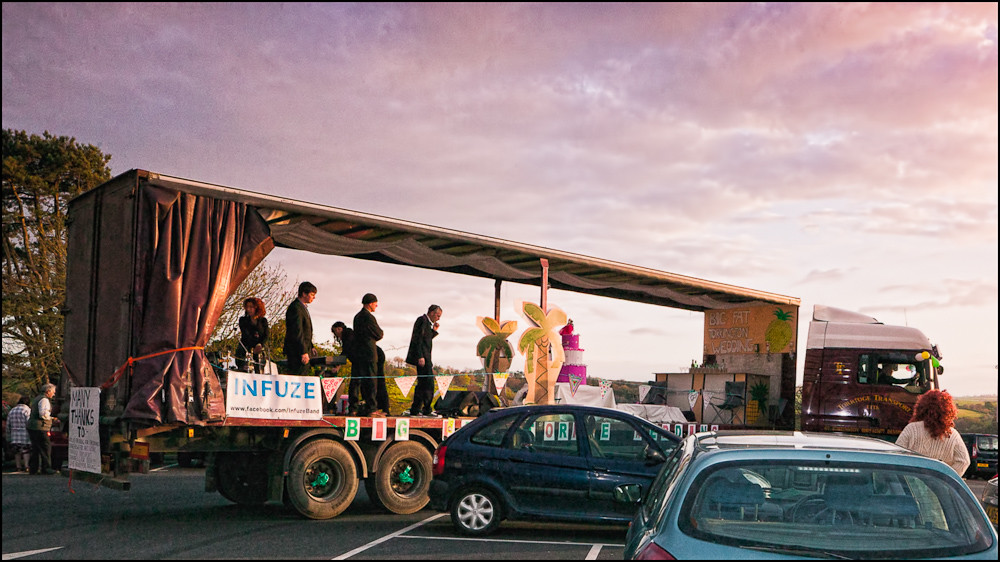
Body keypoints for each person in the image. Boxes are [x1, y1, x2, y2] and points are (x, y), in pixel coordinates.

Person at [895, 389, 970, 476]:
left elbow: (897, 456)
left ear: (921, 407)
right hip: (938, 484)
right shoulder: (953, 435)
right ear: (948, 410)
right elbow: (964, 461)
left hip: (910, 482)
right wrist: (945, 478)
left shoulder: (912, 429)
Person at [405, 304, 442, 416]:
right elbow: (418, 339)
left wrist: (433, 331)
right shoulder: (422, 320)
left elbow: (426, 338)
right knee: (428, 383)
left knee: (422, 384)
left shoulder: (426, 323)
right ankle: (426, 409)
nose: (438, 318)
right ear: (432, 313)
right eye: (438, 315)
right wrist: (420, 356)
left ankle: (416, 409)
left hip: (426, 357)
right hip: (423, 357)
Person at [352, 293, 384, 416]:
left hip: (358, 352)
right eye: (375, 303)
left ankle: (356, 407)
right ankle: (372, 408)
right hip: (369, 353)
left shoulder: (357, 317)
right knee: (371, 381)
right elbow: (379, 333)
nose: (376, 306)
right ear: (370, 303)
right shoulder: (368, 317)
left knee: (359, 381)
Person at [284, 282, 317, 375]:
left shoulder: (302, 307)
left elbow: (305, 331)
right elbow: (297, 331)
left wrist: (311, 346)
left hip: (303, 349)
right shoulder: (296, 308)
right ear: (304, 294)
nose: (314, 297)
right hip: (297, 352)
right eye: (312, 294)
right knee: (299, 376)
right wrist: (303, 352)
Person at [27, 383, 57, 475]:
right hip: (40, 427)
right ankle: (46, 468)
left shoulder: (37, 398)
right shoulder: (44, 400)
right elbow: (43, 414)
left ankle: (33, 468)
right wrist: (52, 418)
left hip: (32, 426)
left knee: (35, 448)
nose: (54, 394)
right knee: (45, 447)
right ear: (48, 391)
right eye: (53, 392)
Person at [332, 321, 361, 412]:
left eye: (335, 332)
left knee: (354, 384)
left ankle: (354, 407)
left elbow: (346, 351)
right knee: (358, 384)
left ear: (339, 329)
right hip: (358, 361)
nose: (336, 335)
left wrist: (338, 364)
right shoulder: (350, 335)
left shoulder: (347, 336)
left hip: (359, 361)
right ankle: (355, 406)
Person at [236, 297, 269, 373]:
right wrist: (254, 346)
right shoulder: (243, 320)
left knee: (260, 369)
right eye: (247, 307)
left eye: (251, 307)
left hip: (259, 350)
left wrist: (260, 344)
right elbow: (246, 334)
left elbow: (266, 335)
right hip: (245, 349)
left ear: (257, 308)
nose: (248, 309)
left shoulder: (263, 321)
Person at [7, 396, 32, 472]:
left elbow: (8, 424)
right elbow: (29, 422)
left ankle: (18, 466)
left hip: (14, 434)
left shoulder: (12, 410)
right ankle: (26, 466)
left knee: (16, 451)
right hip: (25, 434)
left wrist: (8, 434)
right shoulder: (27, 410)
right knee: (25, 451)